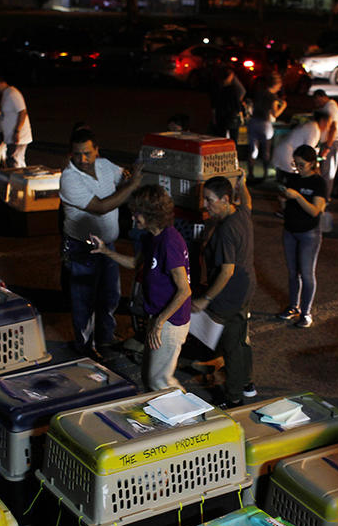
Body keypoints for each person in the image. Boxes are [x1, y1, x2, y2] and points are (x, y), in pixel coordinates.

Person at [90, 185, 192, 390]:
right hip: (158, 317)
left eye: (137, 212)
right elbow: (136, 264)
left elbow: (184, 290)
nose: (132, 217)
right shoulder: (151, 237)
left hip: (170, 321)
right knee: (149, 377)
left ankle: (187, 410)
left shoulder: (169, 242)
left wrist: (159, 323)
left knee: (160, 382)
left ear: (151, 214)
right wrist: (105, 251)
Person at [59, 127, 143, 361]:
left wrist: (131, 177)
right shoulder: (69, 179)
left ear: (97, 150)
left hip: (107, 245)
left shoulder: (105, 166)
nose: (82, 159)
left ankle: (105, 338)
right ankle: (84, 347)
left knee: (110, 296)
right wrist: (132, 185)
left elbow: (124, 177)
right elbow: (101, 207)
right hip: (82, 248)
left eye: (87, 153)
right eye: (77, 154)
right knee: (84, 301)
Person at [192, 171, 256, 407]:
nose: (205, 205)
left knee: (232, 346)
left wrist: (206, 299)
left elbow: (226, 271)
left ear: (225, 200)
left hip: (231, 294)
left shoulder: (226, 230)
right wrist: (243, 183)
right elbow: (248, 201)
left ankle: (234, 397)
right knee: (240, 338)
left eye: (210, 200)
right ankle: (247, 384)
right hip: (246, 287)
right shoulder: (242, 212)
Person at [276, 145, 326, 329]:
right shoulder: (293, 178)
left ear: (312, 163)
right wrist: (283, 200)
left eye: (301, 164)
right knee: (292, 272)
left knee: (306, 274)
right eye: (295, 164)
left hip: (309, 234)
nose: (297, 168)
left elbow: (315, 211)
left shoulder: (318, 182)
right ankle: (293, 306)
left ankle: (306, 313)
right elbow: (286, 206)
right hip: (290, 230)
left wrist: (297, 197)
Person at [246, 73, 287, 183]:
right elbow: (275, 114)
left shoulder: (258, 92)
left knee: (253, 150)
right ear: (276, 85)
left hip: (253, 122)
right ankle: (265, 174)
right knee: (266, 150)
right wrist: (283, 106)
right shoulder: (272, 97)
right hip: (265, 124)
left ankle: (250, 174)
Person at [271, 112, 330, 180]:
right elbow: (308, 152)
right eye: (328, 123)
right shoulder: (314, 129)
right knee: (290, 178)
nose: (328, 127)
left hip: (283, 151)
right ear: (322, 121)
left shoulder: (311, 126)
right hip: (287, 154)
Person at [0, 73, 32, 169]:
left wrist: (17, 131)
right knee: (15, 162)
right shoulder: (6, 94)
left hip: (17, 137)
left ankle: (19, 179)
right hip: (11, 137)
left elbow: (22, 112)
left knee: (14, 163)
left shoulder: (12, 93)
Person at [311, 89, 338, 197]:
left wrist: (327, 146)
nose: (317, 104)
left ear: (322, 97)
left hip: (332, 142)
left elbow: (333, 127)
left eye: (317, 101)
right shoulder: (327, 107)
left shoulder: (331, 107)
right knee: (324, 171)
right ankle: (323, 195)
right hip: (329, 142)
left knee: (327, 172)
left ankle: (324, 197)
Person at [210, 66, 246, 141]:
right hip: (231, 116)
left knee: (221, 138)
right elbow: (237, 103)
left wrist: (214, 117)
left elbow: (214, 104)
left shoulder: (217, 88)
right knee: (233, 138)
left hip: (220, 116)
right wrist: (241, 116)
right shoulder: (233, 89)